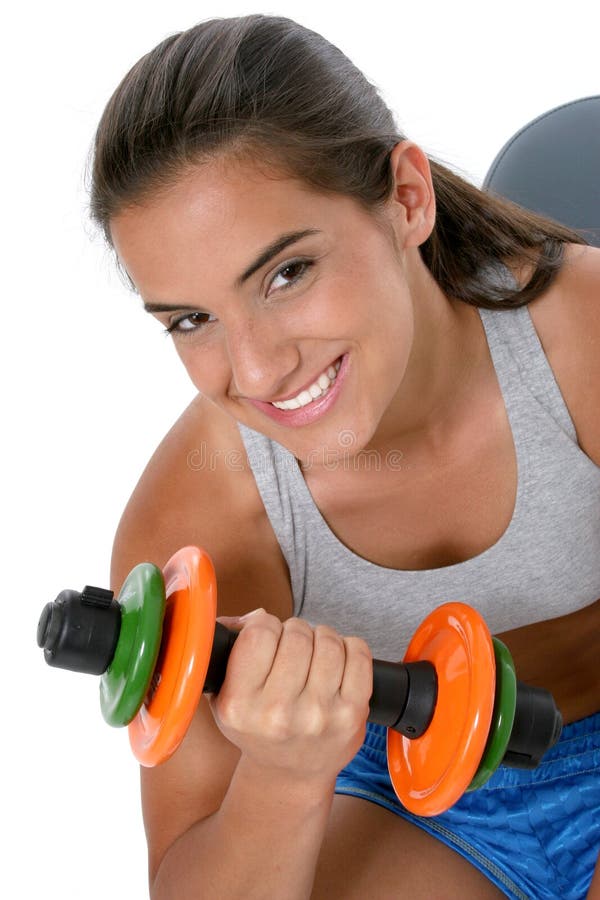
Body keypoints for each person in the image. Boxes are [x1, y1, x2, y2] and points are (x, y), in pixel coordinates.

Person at [89, 14, 600, 899]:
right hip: (413, 799)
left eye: (286, 274)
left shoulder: (582, 344)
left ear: (406, 197)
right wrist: (285, 775)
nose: (255, 370)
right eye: (191, 320)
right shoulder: (204, 518)